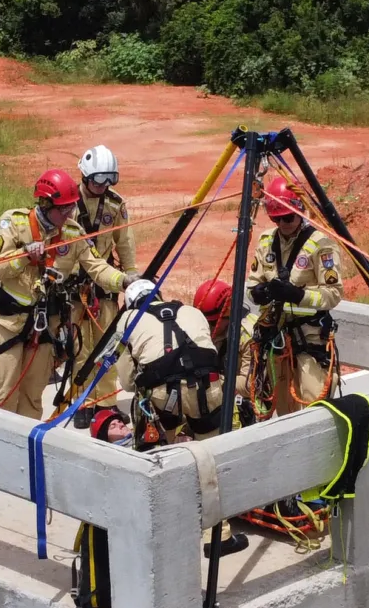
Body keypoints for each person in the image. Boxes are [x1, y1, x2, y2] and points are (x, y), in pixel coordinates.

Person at [0, 169, 130, 418]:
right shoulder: (15, 223)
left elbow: (97, 267)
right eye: (62, 209)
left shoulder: (73, 233)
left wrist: (126, 281)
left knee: (33, 394)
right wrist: (23, 258)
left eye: (70, 208)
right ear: (45, 203)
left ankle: (27, 446)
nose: (68, 214)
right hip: (10, 324)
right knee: (5, 392)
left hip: (44, 329)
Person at [242, 173, 343, 416]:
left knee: (313, 403)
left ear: (298, 211)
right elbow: (252, 284)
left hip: (308, 338)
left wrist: (298, 295)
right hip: (274, 337)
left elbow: (334, 293)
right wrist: (261, 292)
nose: (284, 223)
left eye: (288, 217)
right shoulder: (266, 242)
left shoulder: (321, 245)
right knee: (283, 408)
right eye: (278, 219)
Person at [114, 277, 225, 443]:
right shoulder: (191, 310)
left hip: (162, 395)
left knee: (160, 451)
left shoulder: (127, 320)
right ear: (158, 296)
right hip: (208, 385)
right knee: (213, 446)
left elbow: (128, 382)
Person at [74, 144, 136, 413]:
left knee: (108, 345)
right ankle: (82, 402)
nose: (105, 185)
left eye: (111, 179)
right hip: (75, 287)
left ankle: (106, 404)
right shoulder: (69, 205)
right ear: (86, 176)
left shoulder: (115, 204)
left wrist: (131, 276)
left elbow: (125, 242)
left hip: (106, 284)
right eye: (100, 179)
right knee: (79, 349)